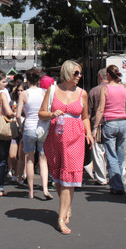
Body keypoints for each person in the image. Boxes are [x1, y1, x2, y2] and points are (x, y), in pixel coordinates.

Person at [39, 60, 94, 235]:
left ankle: (61, 219)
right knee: (57, 178)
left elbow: (85, 117)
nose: (79, 76)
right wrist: (51, 113)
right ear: (67, 73)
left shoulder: (82, 93)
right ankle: (66, 207)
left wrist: (89, 133)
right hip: (54, 139)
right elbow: (41, 113)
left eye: (80, 73)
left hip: (75, 139)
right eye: (76, 73)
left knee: (69, 179)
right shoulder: (53, 90)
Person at [93, 65, 126, 195]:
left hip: (110, 123)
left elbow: (100, 109)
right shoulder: (123, 88)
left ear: (108, 75)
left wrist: (95, 127)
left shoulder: (105, 89)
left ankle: (117, 185)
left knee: (111, 155)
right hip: (122, 122)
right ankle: (118, 181)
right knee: (120, 155)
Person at [16, 68, 52, 200]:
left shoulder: (23, 94)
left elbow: (18, 115)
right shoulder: (44, 92)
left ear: (27, 79)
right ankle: (45, 188)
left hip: (29, 128)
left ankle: (30, 191)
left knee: (29, 160)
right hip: (42, 128)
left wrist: (21, 126)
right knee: (43, 159)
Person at [87, 68, 108, 185]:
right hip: (114, 122)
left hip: (98, 125)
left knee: (98, 152)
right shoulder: (117, 89)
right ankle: (115, 175)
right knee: (112, 151)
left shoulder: (94, 91)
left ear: (100, 77)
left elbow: (89, 113)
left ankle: (101, 178)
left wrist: (89, 128)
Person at [8, 80, 25, 181]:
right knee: (12, 155)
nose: (20, 92)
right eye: (18, 90)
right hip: (14, 129)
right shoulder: (12, 102)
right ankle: (16, 170)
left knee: (22, 156)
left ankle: (21, 174)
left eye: (22, 90)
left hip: (24, 130)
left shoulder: (27, 102)